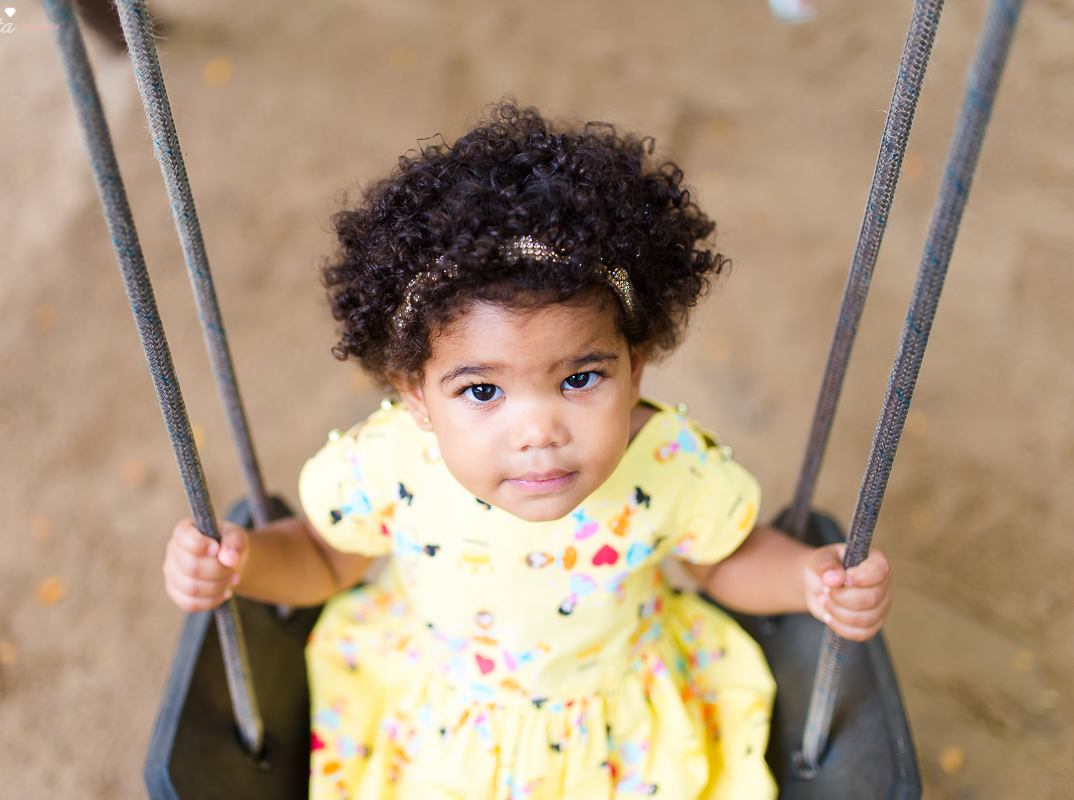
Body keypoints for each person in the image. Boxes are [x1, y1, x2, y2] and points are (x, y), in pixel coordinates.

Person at [162, 101, 892, 799]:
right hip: (445, 728)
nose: (538, 429)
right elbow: (326, 558)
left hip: (617, 731)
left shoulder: (664, 462)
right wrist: (243, 564)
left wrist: (806, 579)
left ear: (635, 365)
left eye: (579, 378)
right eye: (483, 392)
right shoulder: (391, 463)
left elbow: (723, 558)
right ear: (414, 392)